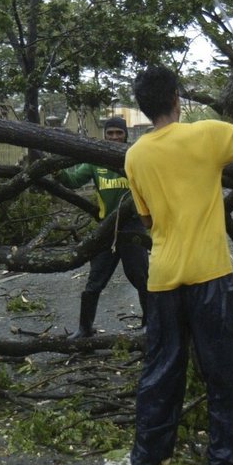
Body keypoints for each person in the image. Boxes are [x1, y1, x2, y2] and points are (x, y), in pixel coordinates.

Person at [124, 55, 233, 465]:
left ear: (143, 106)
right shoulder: (205, 136)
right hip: (208, 273)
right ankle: (223, 459)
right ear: (176, 98)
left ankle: (148, 456)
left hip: (163, 277)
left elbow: (148, 219)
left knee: (161, 368)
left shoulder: (134, 157)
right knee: (223, 369)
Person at [56, 116, 149, 338]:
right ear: (104, 135)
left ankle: (150, 325)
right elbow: (73, 181)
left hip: (133, 228)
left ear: (125, 134)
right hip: (106, 229)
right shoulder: (94, 162)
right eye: (110, 133)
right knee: (94, 281)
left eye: (119, 133)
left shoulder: (135, 158)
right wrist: (56, 170)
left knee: (141, 278)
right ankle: (84, 328)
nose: (115, 137)